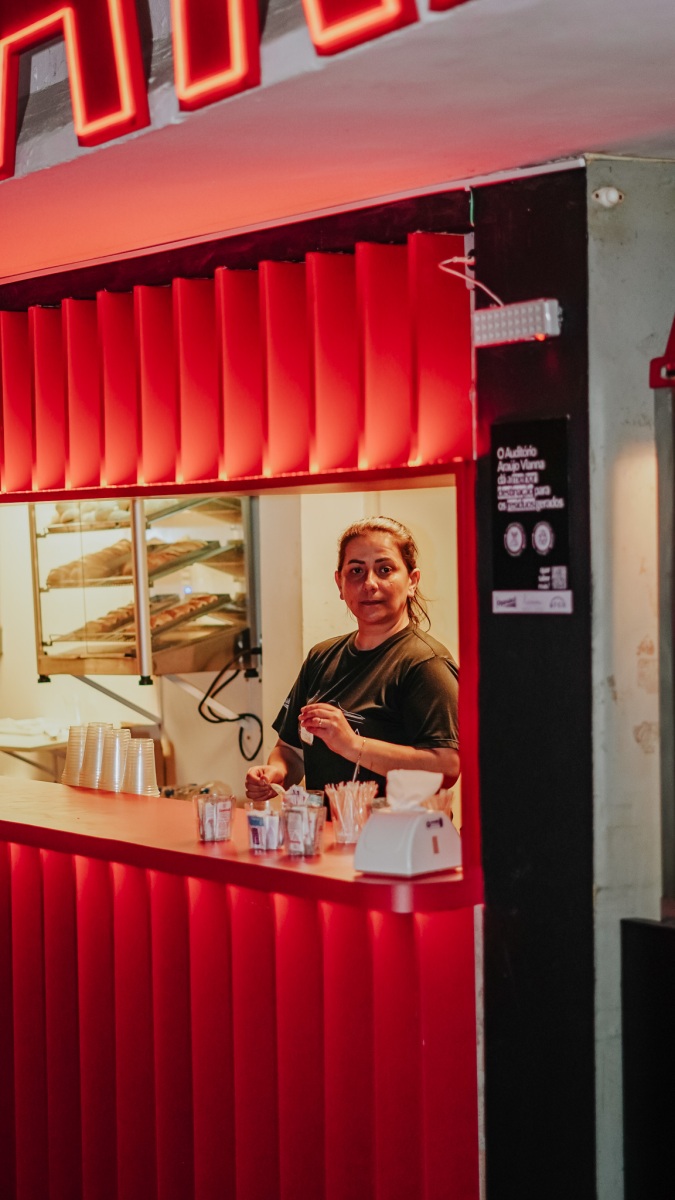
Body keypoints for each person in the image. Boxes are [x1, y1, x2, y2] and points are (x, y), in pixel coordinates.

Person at [244, 516, 459, 802]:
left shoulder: (426, 664)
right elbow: (291, 750)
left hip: (395, 829)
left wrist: (352, 745)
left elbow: (446, 767)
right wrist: (275, 773)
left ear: (412, 581)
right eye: (356, 571)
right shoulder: (321, 657)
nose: (369, 583)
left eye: (385, 570)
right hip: (326, 828)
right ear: (340, 583)